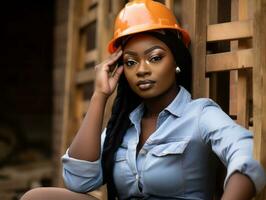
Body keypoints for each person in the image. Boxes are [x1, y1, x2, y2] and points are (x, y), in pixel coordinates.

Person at [21, 0, 265, 200]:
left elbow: (248, 154)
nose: (142, 70)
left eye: (155, 58)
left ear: (176, 61)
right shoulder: (123, 125)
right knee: (37, 197)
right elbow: (78, 180)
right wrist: (100, 96)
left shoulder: (199, 114)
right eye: (130, 62)